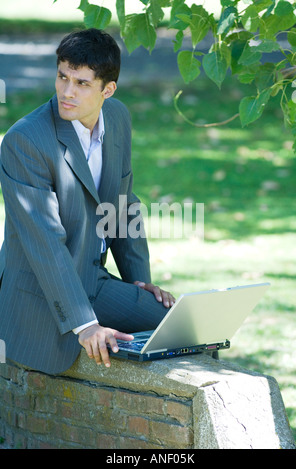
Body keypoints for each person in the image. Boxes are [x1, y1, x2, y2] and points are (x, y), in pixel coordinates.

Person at [0, 28, 175, 375]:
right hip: (38, 291)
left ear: (107, 90)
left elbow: (124, 205)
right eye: (63, 77)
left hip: (94, 280)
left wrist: (139, 282)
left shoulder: (118, 118)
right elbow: (44, 243)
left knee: (179, 328)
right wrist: (85, 325)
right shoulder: (24, 141)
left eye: (81, 83)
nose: (66, 92)